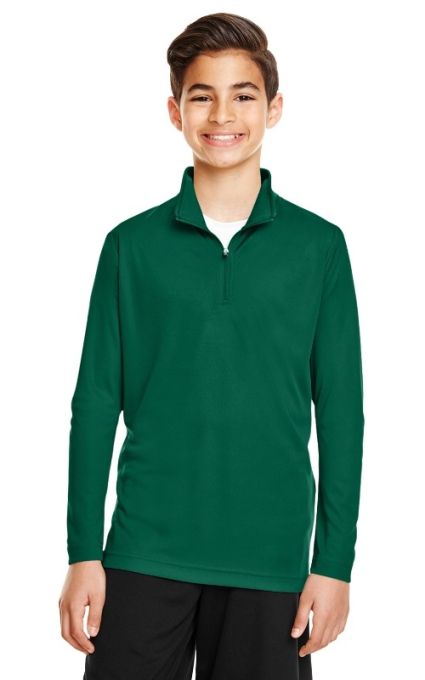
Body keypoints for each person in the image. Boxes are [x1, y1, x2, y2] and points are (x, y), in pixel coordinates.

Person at [58, 11, 365, 680]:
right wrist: (83, 551)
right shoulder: (130, 247)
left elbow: (342, 414)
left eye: (242, 95)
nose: (222, 114)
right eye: (202, 96)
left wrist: (334, 563)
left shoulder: (319, 248)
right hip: (142, 552)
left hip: (271, 561)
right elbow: (96, 404)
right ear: (175, 111)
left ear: (273, 108)